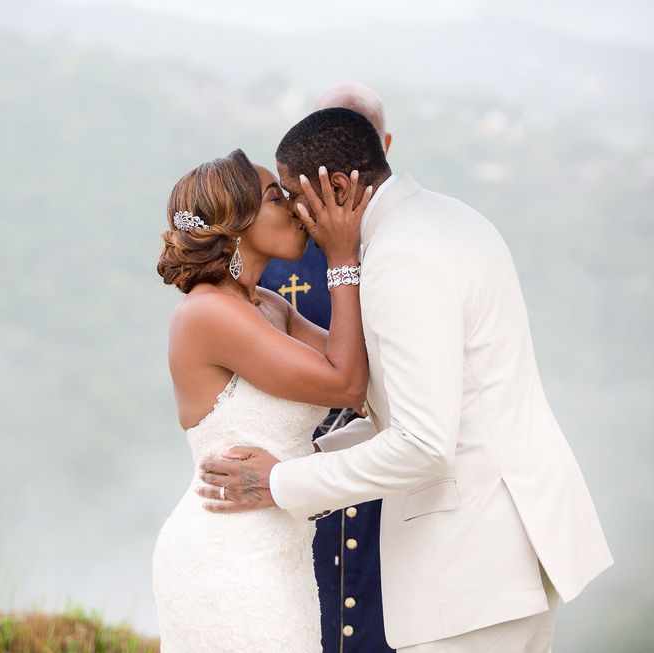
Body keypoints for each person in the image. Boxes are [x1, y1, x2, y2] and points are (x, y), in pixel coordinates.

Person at [199, 109, 613, 652]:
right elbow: (431, 404)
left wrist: (281, 484)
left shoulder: (400, 258)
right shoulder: (449, 219)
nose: (298, 219)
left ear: (340, 188)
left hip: (469, 567)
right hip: (513, 553)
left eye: (295, 198)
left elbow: (422, 443)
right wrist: (310, 452)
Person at [151, 148, 374, 652]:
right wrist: (340, 258)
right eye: (278, 197)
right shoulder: (206, 313)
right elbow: (345, 384)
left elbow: (368, 375)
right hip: (226, 555)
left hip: (281, 551)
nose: (296, 208)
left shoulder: (268, 305)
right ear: (237, 222)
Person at [258, 81, 395, 652]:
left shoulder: (399, 246)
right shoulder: (276, 259)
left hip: (393, 490)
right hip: (296, 484)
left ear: (379, 145)